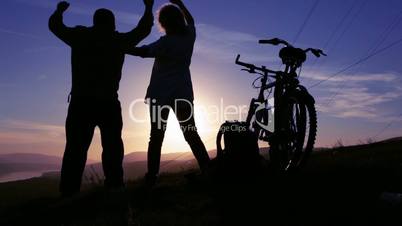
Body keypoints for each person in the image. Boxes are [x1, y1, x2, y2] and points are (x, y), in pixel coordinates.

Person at [49, 0, 154, 197]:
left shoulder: (80, 35)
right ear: (113, 23)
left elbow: (55, 26)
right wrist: (148, 6)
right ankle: (114, 186)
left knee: (75, 150)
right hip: (108, 103)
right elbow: (143, 29)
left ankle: (69, 193)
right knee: (113, 147)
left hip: (81, 102)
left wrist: (59, 11)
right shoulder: (118, 40)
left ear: (94, 21)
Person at [127, 0, 210, 185]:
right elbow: (192, 20)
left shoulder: (164, 43)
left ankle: (152, 177)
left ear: (163, 23)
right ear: (179, 19)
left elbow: (143, 52)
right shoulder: (189, 36)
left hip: (159, 96)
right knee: (191, 132)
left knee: (156, 136)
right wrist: (179, 2)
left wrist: (122, 47)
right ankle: (207, 169)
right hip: (183, 94)